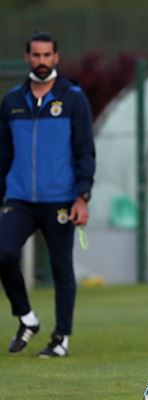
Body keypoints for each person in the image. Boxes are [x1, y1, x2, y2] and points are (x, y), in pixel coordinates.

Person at [0, 32, 95, 357]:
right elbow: (3, 154)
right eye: (36, 55)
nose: (41, 61)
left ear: (56, 57)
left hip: (61, 199)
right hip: (20, 198)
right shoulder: (12, 101)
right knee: (4, 254)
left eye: (47, 55)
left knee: (60, 268)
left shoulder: (72, 98)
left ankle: (61, 338)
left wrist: (82, 196)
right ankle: (27, 318)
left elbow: (85, 151)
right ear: (27, 57)